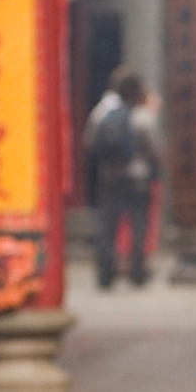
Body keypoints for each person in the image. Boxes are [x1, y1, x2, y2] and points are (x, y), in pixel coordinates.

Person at [85, 67, 162, 289]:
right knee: (139, 224)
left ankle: (106, 273)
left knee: (107, 225)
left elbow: (89, 142)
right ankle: (137, 272)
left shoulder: (102, 112)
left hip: (109, 176)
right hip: (138, 177)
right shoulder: (143, 115)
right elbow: (155, 148)